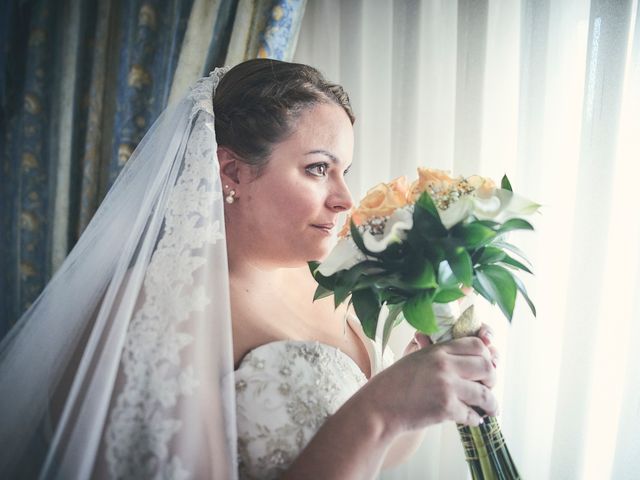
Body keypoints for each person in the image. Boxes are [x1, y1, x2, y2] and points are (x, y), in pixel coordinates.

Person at [0, 59, 498, 479]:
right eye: (317, 168)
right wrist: (380, 409)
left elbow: (374, 455)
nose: (345, 198)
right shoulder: (161, 310)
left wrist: (418, 380)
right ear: (232, 172)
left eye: (343, 170)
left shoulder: (332, 286)